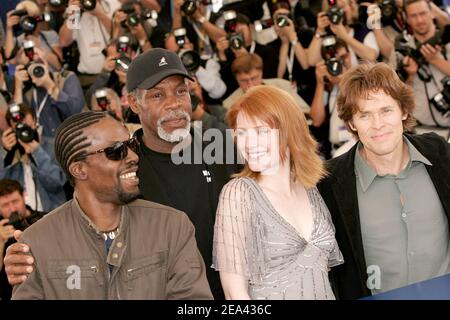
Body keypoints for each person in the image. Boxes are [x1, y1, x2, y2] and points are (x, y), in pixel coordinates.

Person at [4, 48, 238, 299]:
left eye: (181, 91)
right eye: (158, 94)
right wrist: (35, 255)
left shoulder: (226, 147)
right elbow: (84, 231)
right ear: (134, 103)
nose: (174, 103)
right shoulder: (118, 169)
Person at [9, 111, 212, 299]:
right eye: (116, 151)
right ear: (79, 170)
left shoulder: (171, 226)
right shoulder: (36, 243)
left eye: (132, 145)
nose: (133, 156)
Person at [317, 62, 450, 299]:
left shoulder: (440, 154)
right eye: (365, 115)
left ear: (404, 111)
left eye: (386, 110)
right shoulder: (330, 182)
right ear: (351, 123)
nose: (377, 125)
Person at [212, 85, 344, 300]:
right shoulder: (238, 194)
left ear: (290, 131)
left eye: (261, 131)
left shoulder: (308, 187)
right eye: (242, 133)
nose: (248, 143)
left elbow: (321, 273)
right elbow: (235, 293)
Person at [0, 104, 67, 212]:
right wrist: (4, 152)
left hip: (52, 213)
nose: (23, 131)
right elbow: (2, 189)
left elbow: (57, 183)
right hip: (21, 218)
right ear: (11, 129)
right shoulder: (10, 153)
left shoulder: (53, 146)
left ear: (35, 122)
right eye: (18, 128)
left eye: (26, 126)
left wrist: (37, 152)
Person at [396, 0, 450, 128]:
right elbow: (399, 97)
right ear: (407, 19)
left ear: (432, 13)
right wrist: (409, 76)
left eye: (423, 13)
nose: (419, 20)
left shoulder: (447, 38)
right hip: (422, 131)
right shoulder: (402, 50)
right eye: (413, 16)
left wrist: (435, 60)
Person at [0, 178, 46, 300]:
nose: (13, 209)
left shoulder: (45, 219)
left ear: (23, 197)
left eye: (15, 201)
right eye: (5, 205)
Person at [223, 53, 310, 114]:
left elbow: (306, 114)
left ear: (261, 73)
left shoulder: (282, 86)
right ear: (236, 79)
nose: (250, 84)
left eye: (254, 78)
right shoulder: (229, 105)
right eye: (244, 80)